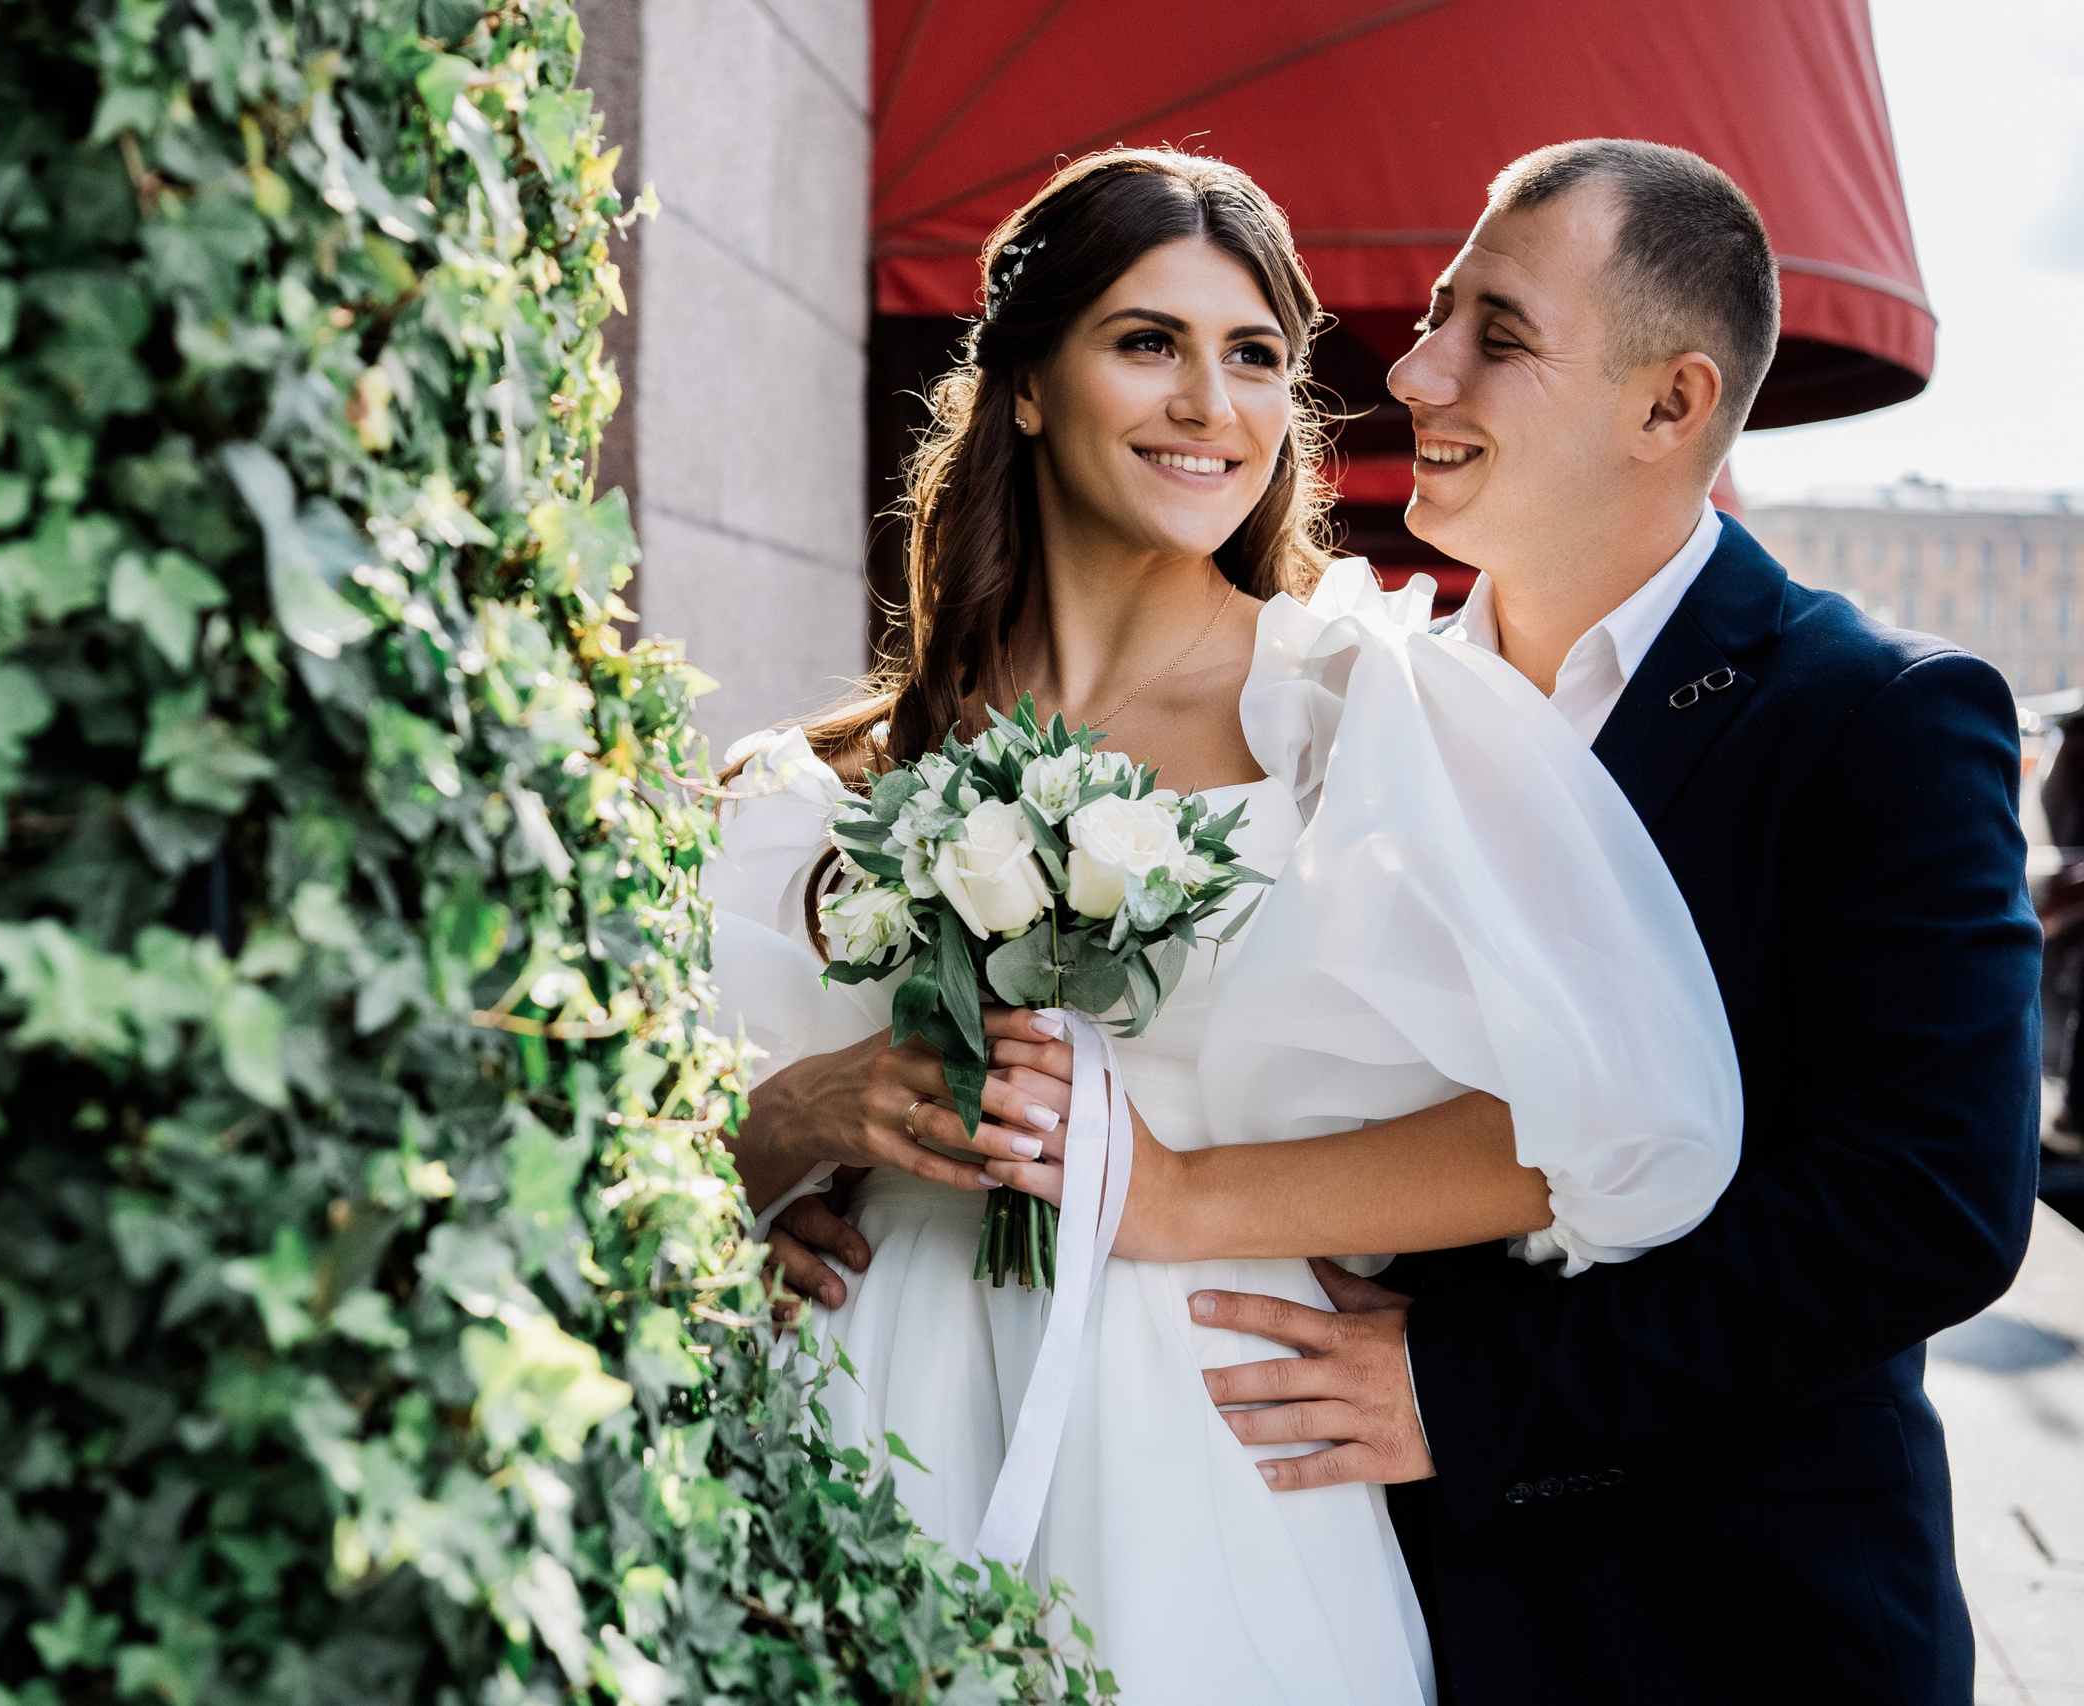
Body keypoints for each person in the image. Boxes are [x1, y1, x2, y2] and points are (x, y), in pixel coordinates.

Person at [977, 140, 2042, 1703]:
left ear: (1669, 406)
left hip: (1734, 1623)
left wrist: (1463, 1389)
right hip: (1370, 1595)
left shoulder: (1874, 715)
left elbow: (1928, 1204)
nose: (1412, 369)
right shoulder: (1349, 705)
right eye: (1432, 313)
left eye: (1498, 333)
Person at [707, 147, 1742, 1704]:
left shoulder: (1363, 716)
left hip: (1202, 1462)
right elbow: (658, 1147)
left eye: (1253, 355)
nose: (1211, 401)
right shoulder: (834, 781)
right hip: (857, 1406)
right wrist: (790, 1128)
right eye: (1148, 342)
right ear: (1032, 384)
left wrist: (1178, 1193)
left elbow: (1621, 1124)